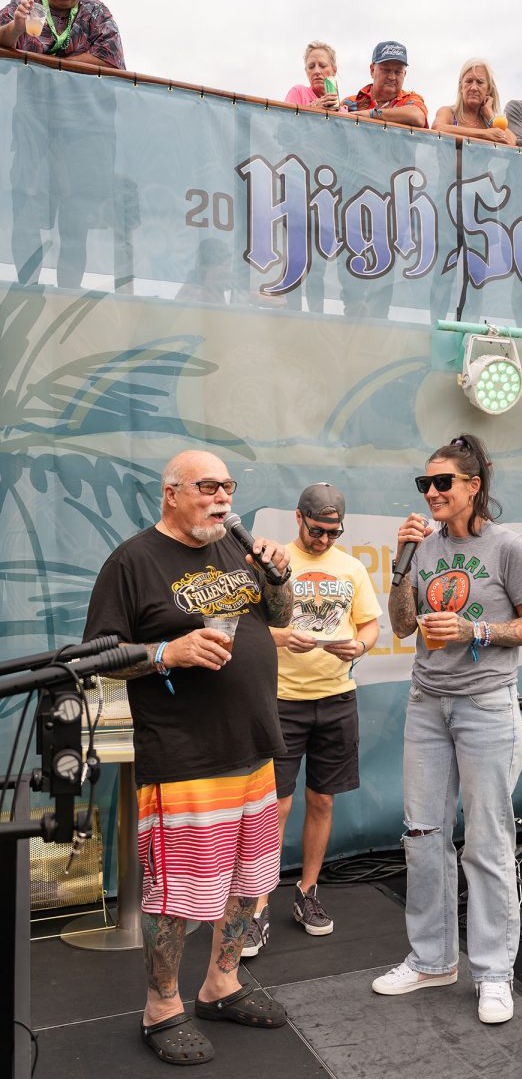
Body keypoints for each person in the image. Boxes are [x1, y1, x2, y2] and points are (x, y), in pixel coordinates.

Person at [84, 450, 293, 1067]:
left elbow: (280, 617)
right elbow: (95, 657)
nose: (222, 497)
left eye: (228, 486)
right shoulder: (132, 562)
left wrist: (278, 577)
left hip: (253, 747)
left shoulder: (236, 549)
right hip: (184, 758)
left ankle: (221, 984)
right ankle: (161, 1007)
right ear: (171, 492)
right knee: (176, 896)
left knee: (249, 882)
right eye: (208, 486)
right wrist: (164, 654)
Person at [372, 435, 522, 1025]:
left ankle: (494, 972)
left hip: (485, 706)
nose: (431, 492)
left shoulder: (507, 547)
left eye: (442, 482)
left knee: (487, 842)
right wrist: (400, 563)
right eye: (424, 483)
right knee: (422, 835)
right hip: (427, 704)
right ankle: (432, 960)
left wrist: (476, 631)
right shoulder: (422, 547)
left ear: (473, 486)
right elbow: (403, 626)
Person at [243, 483, 381, 956]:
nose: (323, 540)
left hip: (337, 697)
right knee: (275, 806)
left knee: (322, 799)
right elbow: (244, 628)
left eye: (332, 532)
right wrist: (281, 638)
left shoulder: (351, 567)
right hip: (281, 699)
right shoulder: (272, 563)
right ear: (298, 518)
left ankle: (307, 892)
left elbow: (369, 624)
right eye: (317, 530)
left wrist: (360, 645)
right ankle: (258, 907)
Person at [0, 0, 125, 289]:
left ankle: (68, 295)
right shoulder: (23, 8)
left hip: (84, 134)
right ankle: (27, 292)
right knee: (26, 209)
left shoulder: (96, 12)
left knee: (75, 220)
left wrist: (50, 66)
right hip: (33, 129)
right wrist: (15, 29)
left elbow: (111, 60)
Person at [340, 40, 429, 128]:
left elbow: (417, 117)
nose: (392, 77)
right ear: (372, 70)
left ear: (404, 74)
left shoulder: (411, 100)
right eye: (386, 70)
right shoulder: (349, 103)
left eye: (398, 72)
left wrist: (371, 114)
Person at [432, 58, 516, 145]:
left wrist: (490, 114)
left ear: (488, 89)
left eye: (480, 82)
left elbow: (511, 142)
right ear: (461, 87)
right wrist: (485, 134)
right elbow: (437, 128)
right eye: (469, 81)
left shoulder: (489, 122)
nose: (473, 88)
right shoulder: (449, 113)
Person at [284, 40, 341, 112]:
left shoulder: (344, 112)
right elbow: (285, 118)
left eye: (322, 66)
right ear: (306, 71)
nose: (316, 71)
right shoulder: (298, 92)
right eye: (311, 67)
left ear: (334, 70)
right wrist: (313, 109)